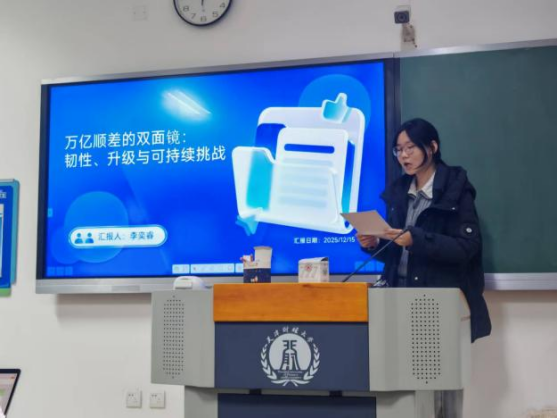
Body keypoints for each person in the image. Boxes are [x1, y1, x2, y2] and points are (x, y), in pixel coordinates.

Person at [356, 118, 491, 418]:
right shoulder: (399, 191)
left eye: (410, 148)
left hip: (439, 304)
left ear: (432, 147)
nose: (403, 156)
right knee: (407, 394)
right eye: (398, 150)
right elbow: (398, 253)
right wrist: (374, 243)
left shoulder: (456, 189)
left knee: (444, 392)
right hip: (398, 301)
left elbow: (467, 248)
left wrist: (415, 239)